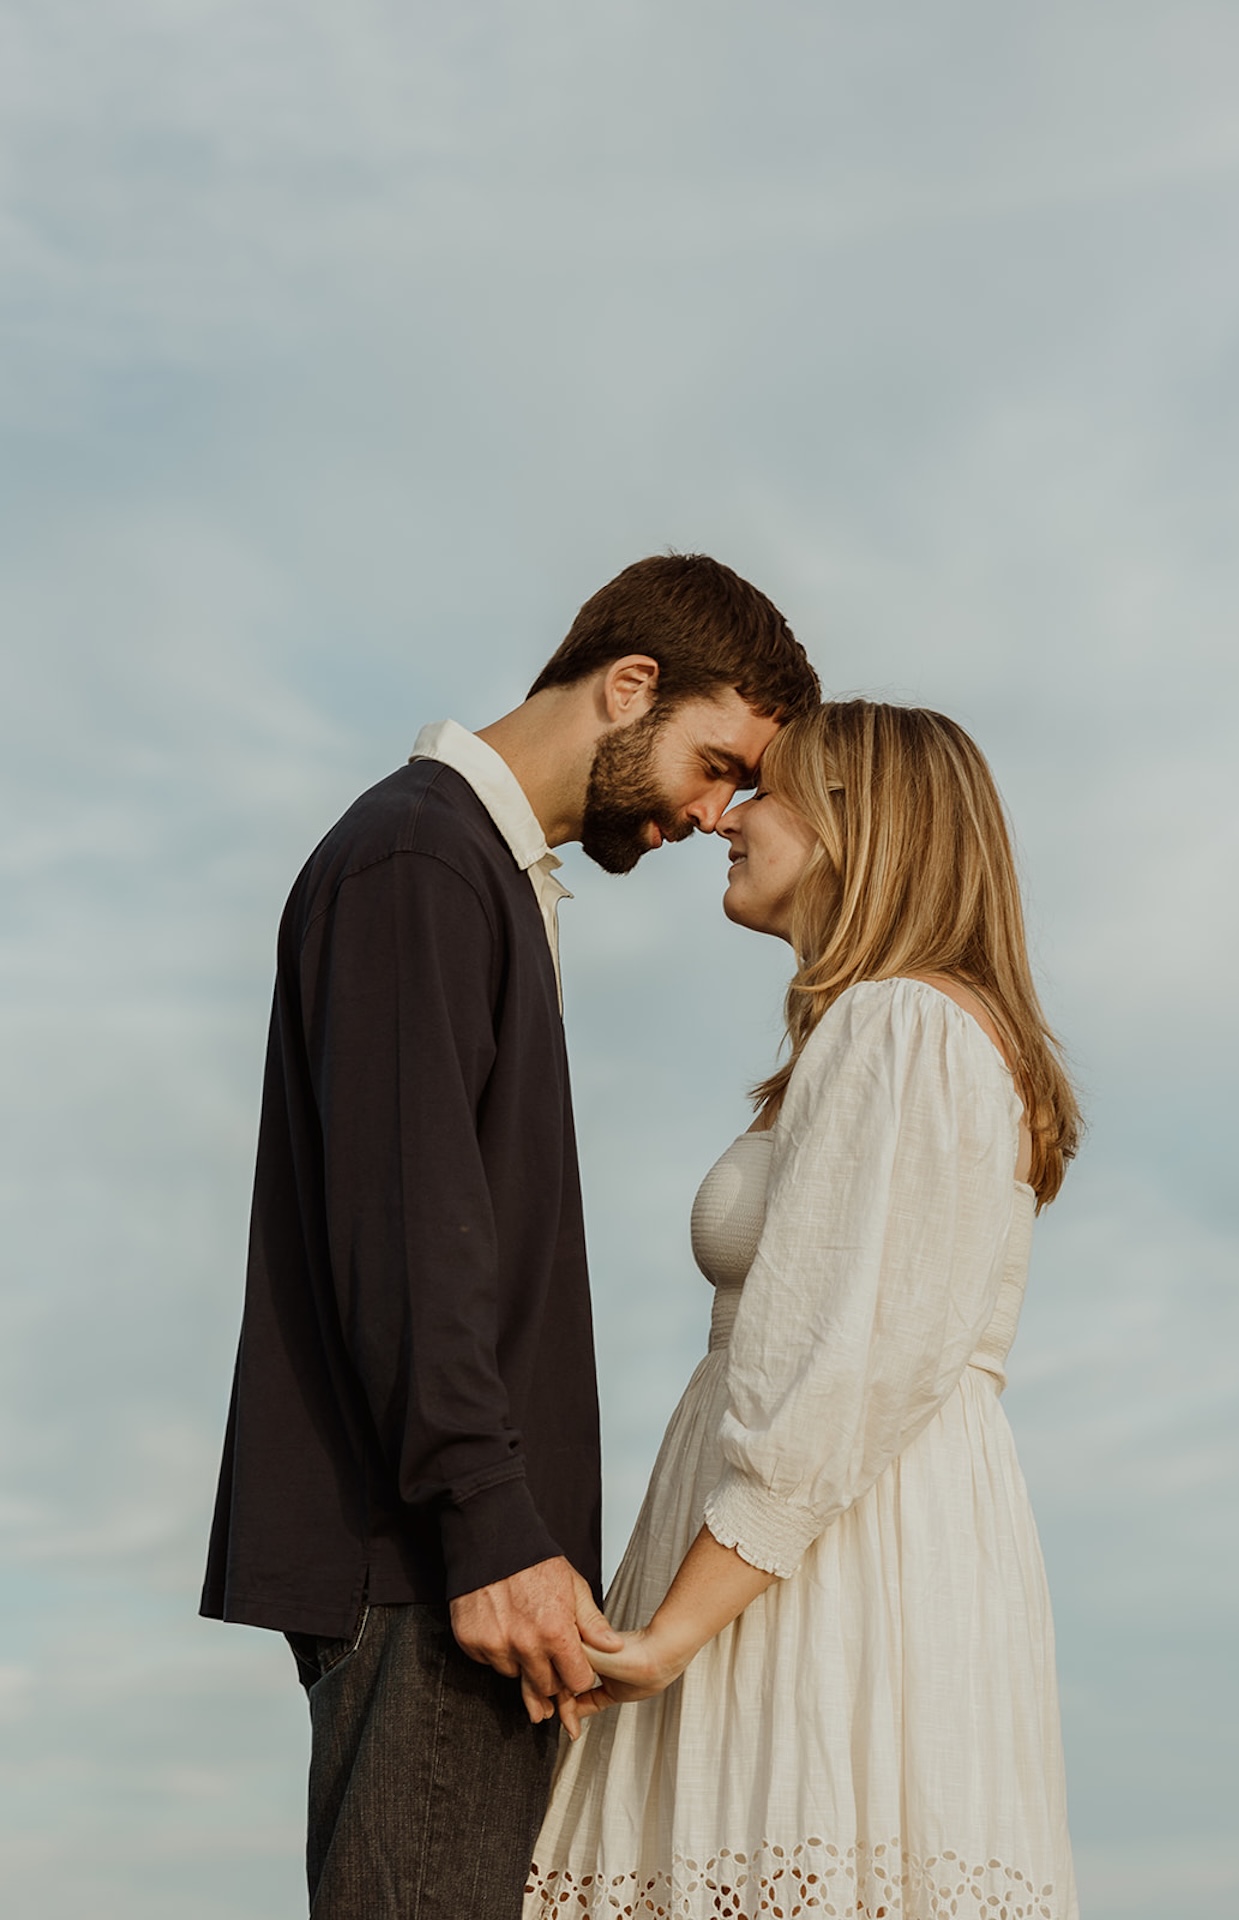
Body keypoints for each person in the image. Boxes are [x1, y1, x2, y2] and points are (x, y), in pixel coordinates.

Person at [198, 554, 820, 1919]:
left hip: (453, 1560)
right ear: (631, 685)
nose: (709, 816)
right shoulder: (422, 859)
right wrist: (490, 1531)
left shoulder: (467, 868)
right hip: (432, 1568)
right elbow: (411, 1236)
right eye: (715, 765)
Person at [526, 699, 1083, 1920]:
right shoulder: (888, 1030)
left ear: (851, 822)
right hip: (817, 1538)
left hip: (821, 1559)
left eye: (763, 792)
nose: (725, 813)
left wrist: (671, 1637)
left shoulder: (902, 1025)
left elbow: (838, 1369)